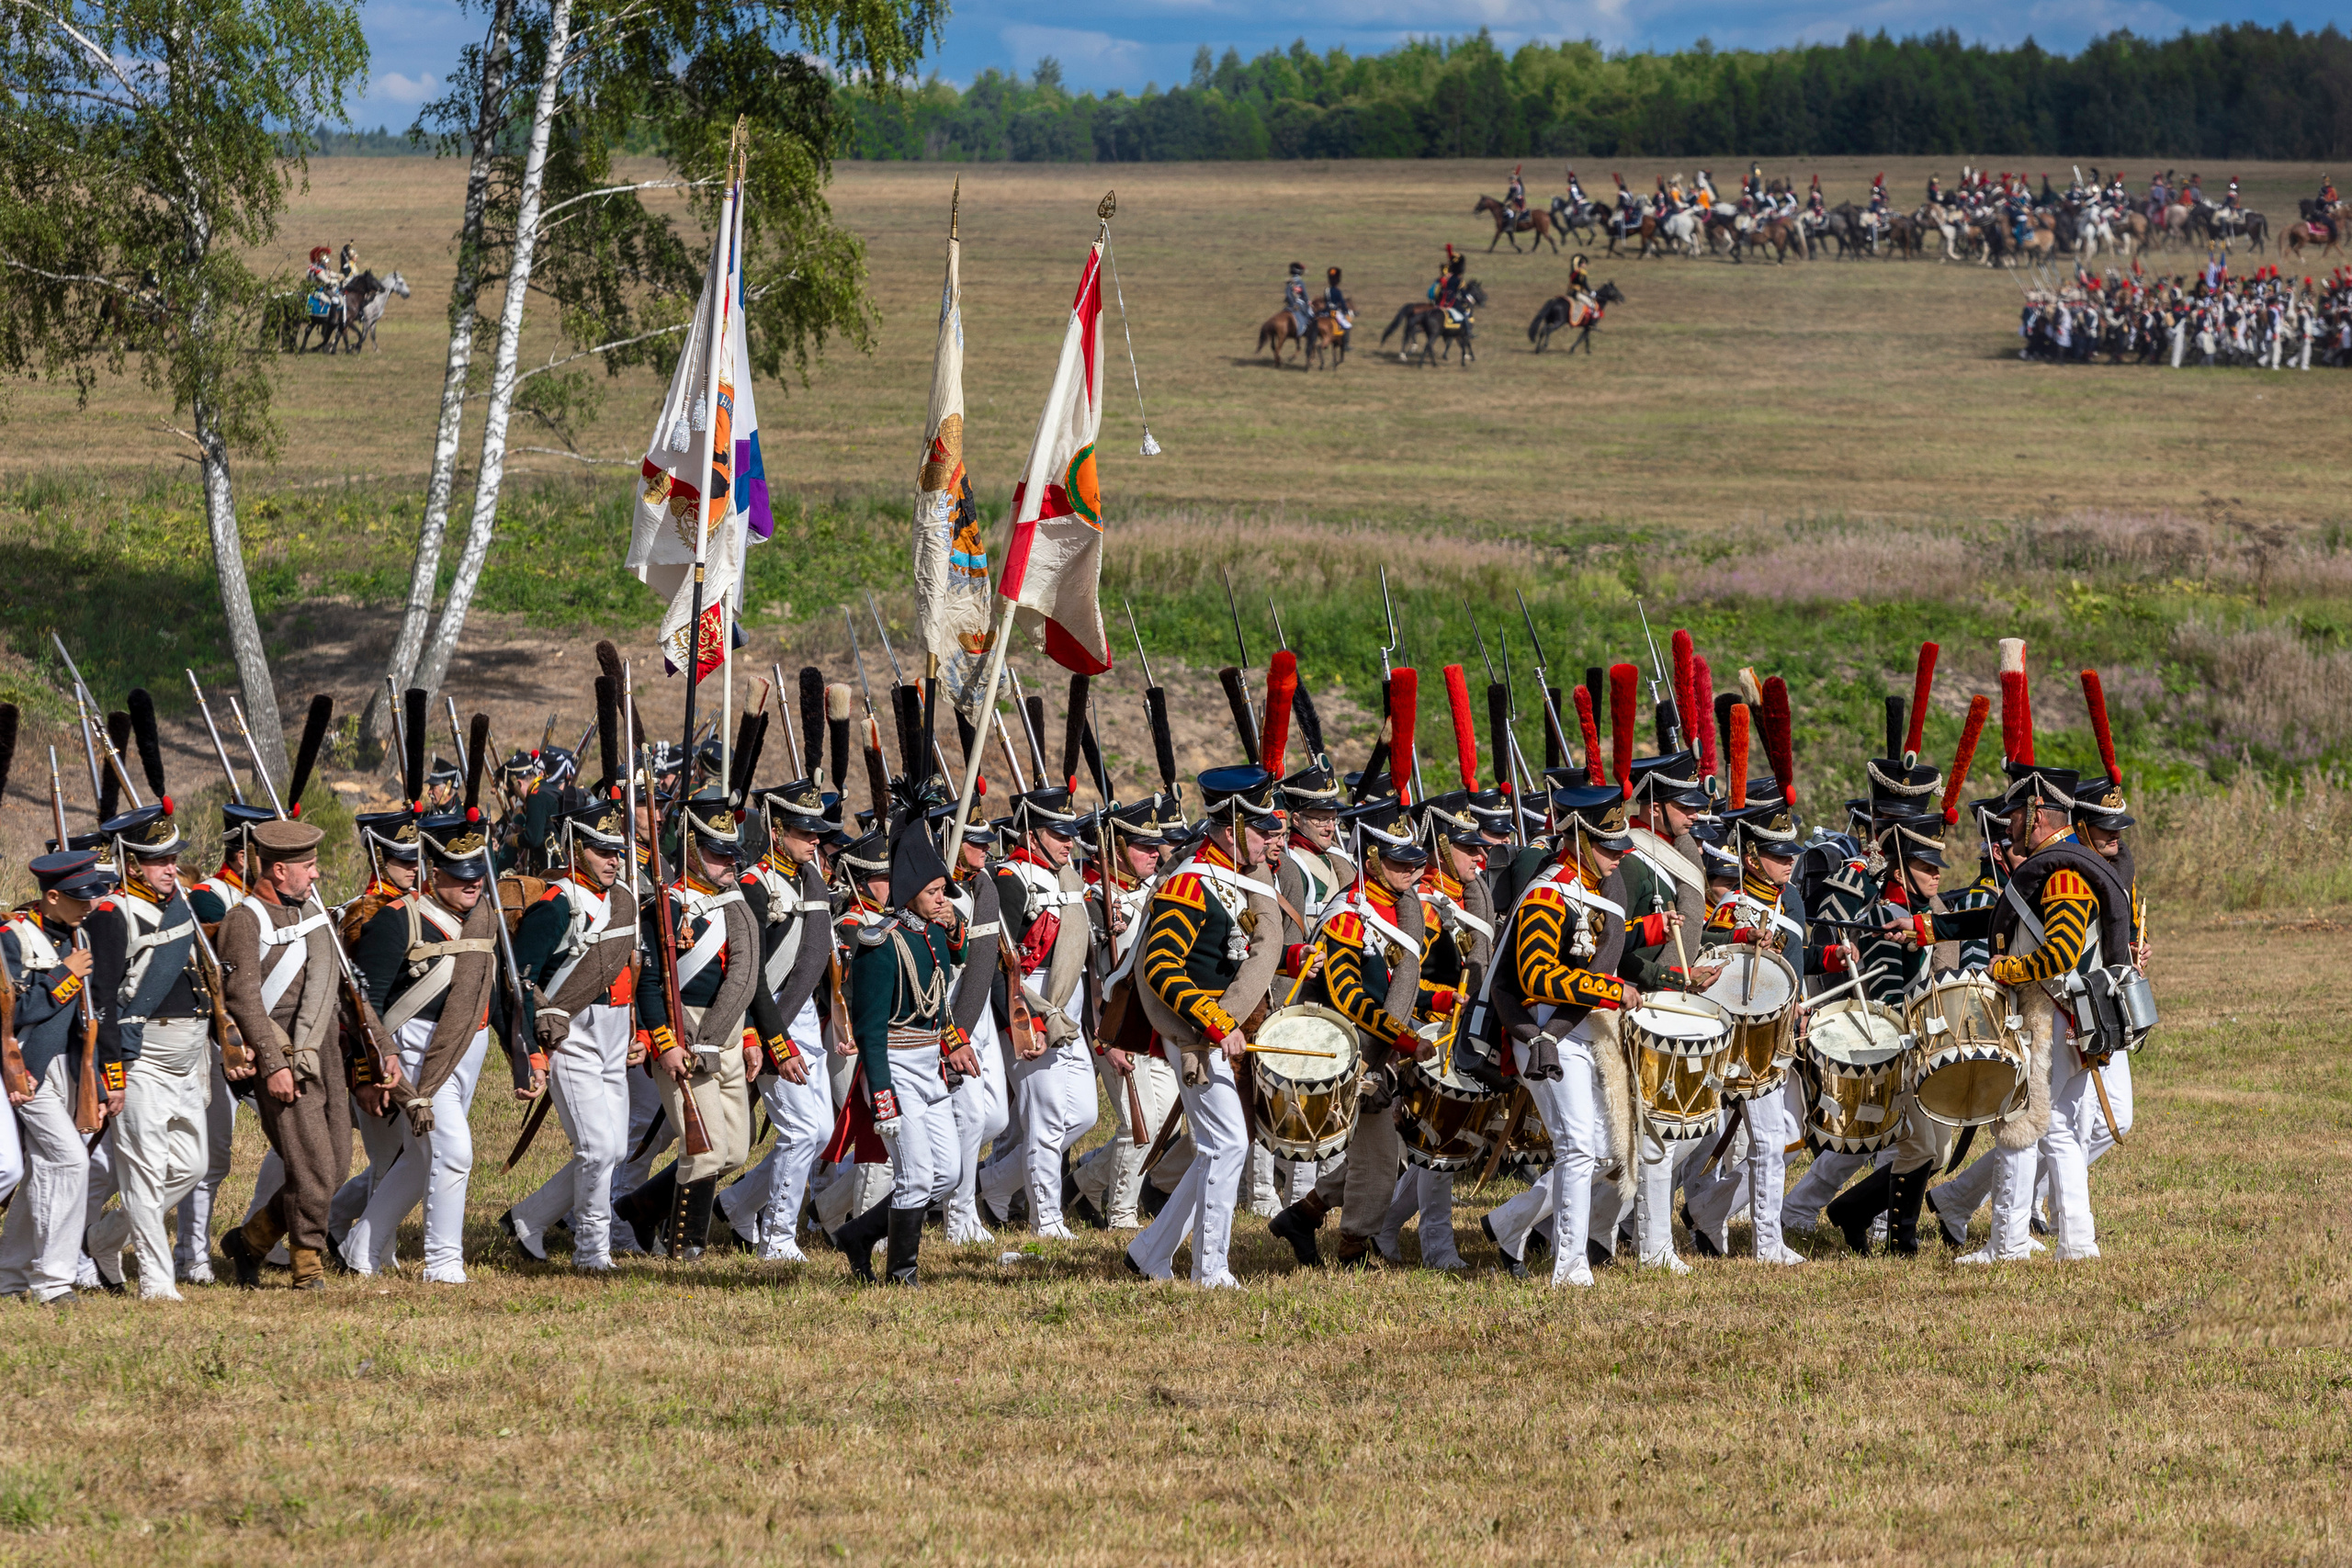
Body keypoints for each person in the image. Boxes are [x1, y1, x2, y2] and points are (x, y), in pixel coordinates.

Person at [341, 807, 538, 1283]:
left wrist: (526, 1055)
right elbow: (360, 1003)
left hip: (466, 1052)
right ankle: (445, 1263)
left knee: (419, 1156)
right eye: (458, 873)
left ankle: (359, 1248)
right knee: (454, 1152)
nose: (471, 883)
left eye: (476, 873)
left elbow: (501, 993)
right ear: (432, 870)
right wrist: (370, 1063)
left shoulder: (484, 920)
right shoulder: (396, 920)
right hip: (415, 1052)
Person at [1264, 794, 1451, 1270]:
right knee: (1382, 1157)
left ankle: (1304, 1216)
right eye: (1397, 862)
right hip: (1347, 1047)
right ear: (1372, 857)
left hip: (1379, 1045)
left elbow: (1392, 983)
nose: (1410, 871)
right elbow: (1348, 995)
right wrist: (1406, 1040)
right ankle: (1353, 1246)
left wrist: (1438, 999)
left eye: (1415, 862)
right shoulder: (1350, 914)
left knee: (1377, 1152)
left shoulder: (1395, 906)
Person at [1124, 766, 1286, 1288]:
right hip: (1193, 1033)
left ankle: (1150, 1251)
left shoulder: (1228, 874)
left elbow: (1229, 950)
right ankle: (1210, 1269)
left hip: (1210, 1030)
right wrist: (1219, 1023)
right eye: (1261, 829)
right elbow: (1160, 967)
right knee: (1229, 1146)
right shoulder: (1191, 883)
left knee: (1220, 1146)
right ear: (1233, 824)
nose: (1270, 839)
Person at [612, 787, 775, 1258]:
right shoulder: (666, 905)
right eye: (715, 853)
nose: (727, 864)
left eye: (730, 854)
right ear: (690, 848)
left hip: (726, 1036)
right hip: (683, 1034)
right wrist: (665, 1043)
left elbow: (742, 981)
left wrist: (746, 1036)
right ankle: (688, 1249)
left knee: (734, 1153)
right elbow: (649, 984)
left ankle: (642, 1209)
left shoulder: (733, 906)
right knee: (702, 1152)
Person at [501, 784, 645, 1271]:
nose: (612, 860)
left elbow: (634, 969)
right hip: (573, 1032)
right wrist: (534, 1050)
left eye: (617, 852)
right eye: (601, 851)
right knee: (597, 1147)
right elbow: (523, 980)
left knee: (615, 1148)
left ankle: (529, 1219)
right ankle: (591, 1251)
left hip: (614, 1032)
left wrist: (640, 1030)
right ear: (574, 848)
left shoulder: (624, 899)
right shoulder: (558, 902)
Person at [828, 818, 978, 1286]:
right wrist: (884, 1096)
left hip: (927, 1063)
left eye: (944, 890)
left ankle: (857, 1234)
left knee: (948, 1175)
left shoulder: (932, 933)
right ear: (910, 889)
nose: (942, 898)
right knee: (914, 1177)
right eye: (934, 890)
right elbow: (871, 1032)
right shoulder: (879, 944)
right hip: (892, 1067)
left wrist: (956, 928)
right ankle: (901, 1275)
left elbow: (949, 968)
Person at [82, 801, 210, 1300]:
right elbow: (103, 1004)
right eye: (159, 861)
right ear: (132, 864)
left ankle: (101, 1239)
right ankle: (157, 1282)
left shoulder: (177, 904)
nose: (171, 867)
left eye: (172, 858)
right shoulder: (113, 915)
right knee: (143, 1171)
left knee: (192, 1166)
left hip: (185, 1059)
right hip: (142, 1058)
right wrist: (112, 1073)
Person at [212, 819, 347, 1292]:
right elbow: (244, 999)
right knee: (312, 1167)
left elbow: (342, 985)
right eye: (308, 867)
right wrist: (272, 1064)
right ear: (276, 870)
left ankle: (251, 1241)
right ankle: (306, 1263)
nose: (316, 875)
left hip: (323, 1047)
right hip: (282, 1050)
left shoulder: (310, 912)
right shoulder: (244, 921)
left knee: (336, 1166)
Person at [711, 777, 837, 1260]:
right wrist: (762, 1037)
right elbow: (751, 974)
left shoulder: (811, 880)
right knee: (802, 1131)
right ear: (778, 829)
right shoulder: (755, 885)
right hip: (764, 1017)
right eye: (806, 832)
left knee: (820, 1133)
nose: (815, 840)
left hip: (801, 1011)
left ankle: (741, 1205)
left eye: (816, 833)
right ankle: (778, 1238)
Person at [978, 786, 1099, 1238]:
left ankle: (988, 1182)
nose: (1069, 842)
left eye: (1070, 833)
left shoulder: (1068, 876)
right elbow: (997, 959)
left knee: (1083, 1115)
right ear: (1032, 831)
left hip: (1069, 1003)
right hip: (1030, 1004)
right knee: (1046, 1118)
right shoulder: (1009, 878)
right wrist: (1018, 1022)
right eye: (1057, 832)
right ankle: (1045, 1218)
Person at [0, 852, 120, 1305]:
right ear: (51, 897)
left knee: (42, 1171)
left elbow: (90, 1017)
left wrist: (97, 1077)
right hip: (24, 1068)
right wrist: (61, 978)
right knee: (70, 1161)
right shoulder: (11, 938)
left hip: (67, 1069)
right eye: (77, 897)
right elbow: (13, 1013)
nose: (88, 905)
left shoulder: (78, 933)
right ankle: (53, 1280)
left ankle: (10, 1276)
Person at [1283, 261, 1311, 342]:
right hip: (1300, 303)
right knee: (1310, 314)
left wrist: (1292, 303)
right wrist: (1309, 302)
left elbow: (1288, 294)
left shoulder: (1289, 282)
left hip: (1290, 304)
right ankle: (1306, 329)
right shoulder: (1300, 282)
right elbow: (1304, 294)